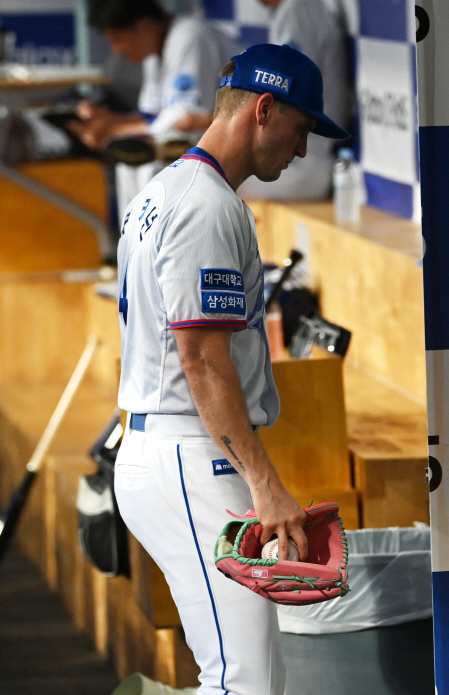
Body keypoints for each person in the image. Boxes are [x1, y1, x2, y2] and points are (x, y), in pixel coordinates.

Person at [114, 44, 349, 695]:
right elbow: (203, 360)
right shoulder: (207, 205)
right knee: (245, 681)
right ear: (265, 109)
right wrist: (264, 483)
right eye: (301, 131)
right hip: (186, 455)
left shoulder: (169, 190)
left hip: (171, 448)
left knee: (241, 676)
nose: (303, 152)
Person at [176, 0, 351, 200]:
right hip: (302, 158)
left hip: (308, 164)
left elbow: (282, 102)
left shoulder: (299, 8)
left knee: (206, 179)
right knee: (201, 172)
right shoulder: (296, 6)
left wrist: (206, 120)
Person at [70, 0, 232, 216]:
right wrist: (112, 121)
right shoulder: (155, 49)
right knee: (127, 158)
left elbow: (185, 121)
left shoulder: (189, 37)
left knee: (149, 160)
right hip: (213, 149)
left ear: (145, 26)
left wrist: (114, 129)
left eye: (118, 38)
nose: (116, 50)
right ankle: (136, 248)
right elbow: (152, 114)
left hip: (248, 147)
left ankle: (159, 248)